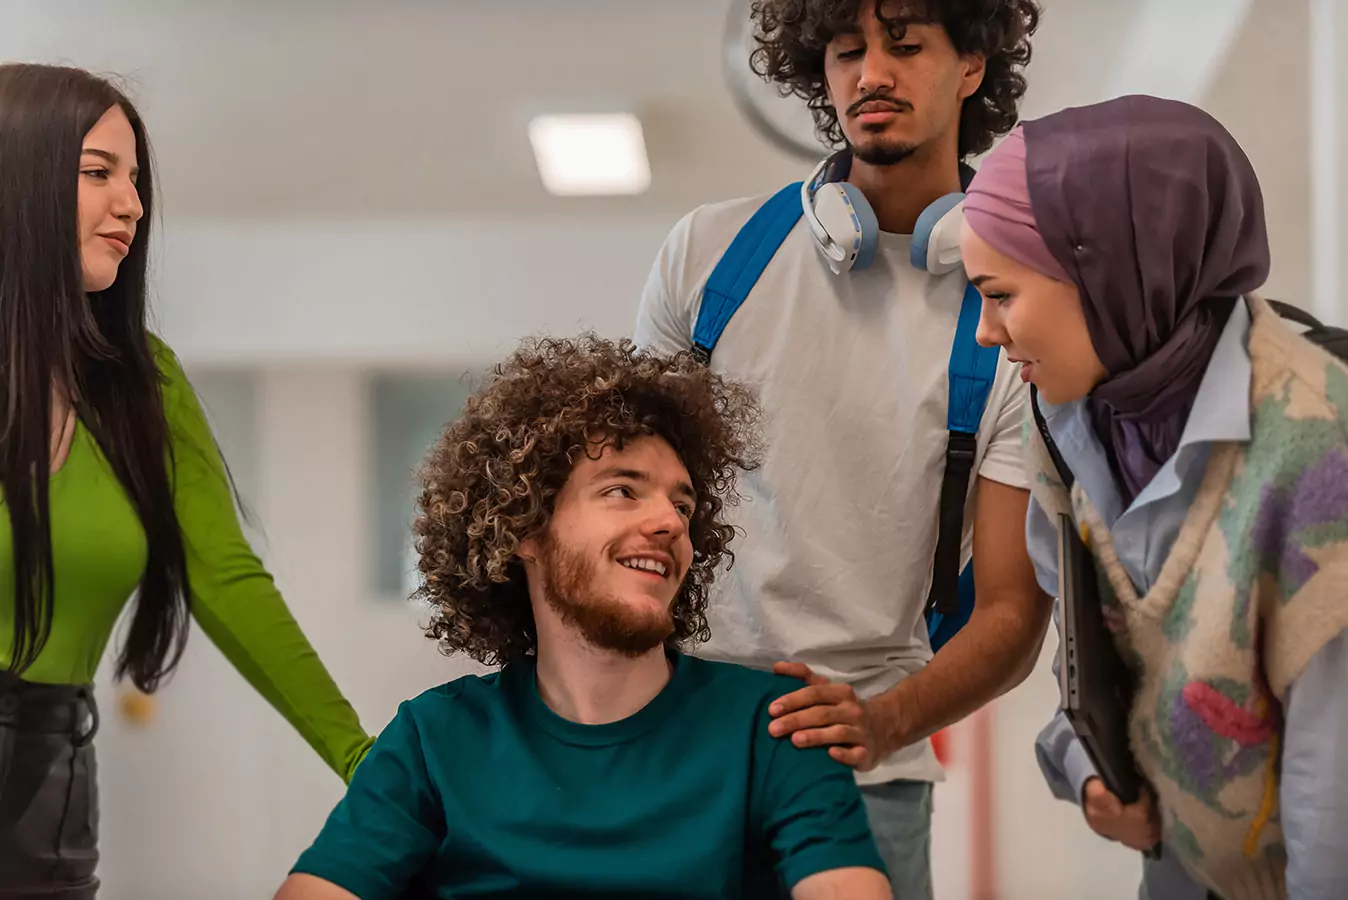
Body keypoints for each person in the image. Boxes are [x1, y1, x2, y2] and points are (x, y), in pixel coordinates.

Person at [634, 1, 1049, 890]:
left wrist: (886, 721)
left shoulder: (1011, 317)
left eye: (906, 45)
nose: (871, 74)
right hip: (676, 749)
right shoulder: (707, 257)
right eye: (847, 51)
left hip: (868, 776)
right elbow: (622, 505)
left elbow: (1012, 613)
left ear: (972, 64)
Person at [275, 336, 891, 900]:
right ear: (526, 529)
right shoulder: (434, 738)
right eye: (623, 490)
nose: (670, 522)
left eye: (682, 505)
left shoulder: (780, 726)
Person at [962, 94, 1348, 900]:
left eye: (1000, 295)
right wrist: (1087, 768)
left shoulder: (1320, 448)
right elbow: (1094, 662)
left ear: (1105, 273)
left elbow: (1333, 797)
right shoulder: (1066, 419)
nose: (985, 333)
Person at [0, 64, 373, 897]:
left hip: (49, 792)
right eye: (97, 172)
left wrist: (367, 764)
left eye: (135, 179)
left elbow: (228, 579)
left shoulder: (144, 382)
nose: (132, 204)